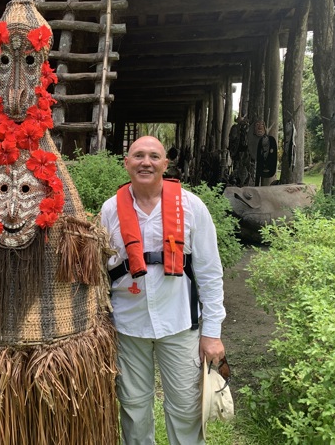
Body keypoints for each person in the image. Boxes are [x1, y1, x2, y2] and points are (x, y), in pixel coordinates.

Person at [100, 136, 226, 445]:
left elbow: (210, 274)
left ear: (165, 164)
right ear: (127, 162)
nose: (146, 162)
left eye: (154, 156)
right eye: (138, 155)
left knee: (185, 408)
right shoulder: (110, 211)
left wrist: (212, 333)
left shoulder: (192, 206)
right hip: (128, 325)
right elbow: (98, 272)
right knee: (133, 407)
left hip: (180, 323)